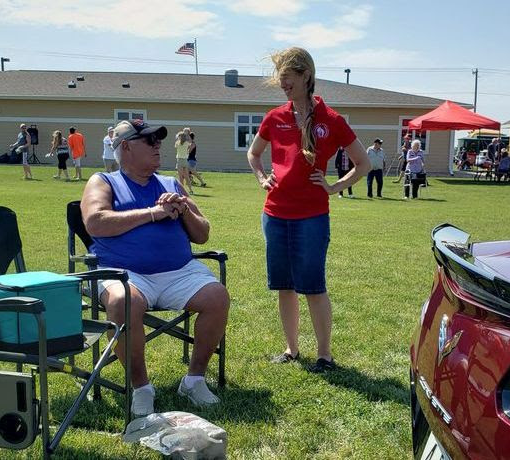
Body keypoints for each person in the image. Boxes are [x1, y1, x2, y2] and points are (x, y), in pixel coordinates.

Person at [81, 119, 230, 416]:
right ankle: (141, 387)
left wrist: (183, 209)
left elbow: (202, 234)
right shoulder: (104, 181)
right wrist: (153, 213)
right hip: (124, 273)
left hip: (178, 272)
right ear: (125, 147)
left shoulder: (170, 184)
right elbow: (95, 222)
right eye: (149, 141)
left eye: (158, 140)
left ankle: (194, 380)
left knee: (217, 297)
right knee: (125, 302)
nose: (157, 145)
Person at [246, 47, 370, 373]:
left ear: (306, 76)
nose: (283, 84)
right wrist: (261, 177)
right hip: (274, 214)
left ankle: (324, 355)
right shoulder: (275, 118)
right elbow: (253, 154)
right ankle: (291, 349)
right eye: (280, 79)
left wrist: (333, 187)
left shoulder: (331, 120)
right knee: (284, 286)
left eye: (287, 78)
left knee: (313, 286)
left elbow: (363, 163)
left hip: (312, 218)